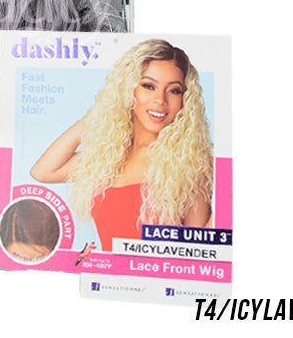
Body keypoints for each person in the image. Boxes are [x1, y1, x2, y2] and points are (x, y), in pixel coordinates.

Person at [30, 39, 213, 252]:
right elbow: (43, 172)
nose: (160, 100)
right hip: (110, 272)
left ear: (185, 99)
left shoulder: (189, 162)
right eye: (149, 86)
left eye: (174, 91)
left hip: (155, 271)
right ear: (128, 89)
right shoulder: (107, 156)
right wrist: (100, 114)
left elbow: (199, 244)